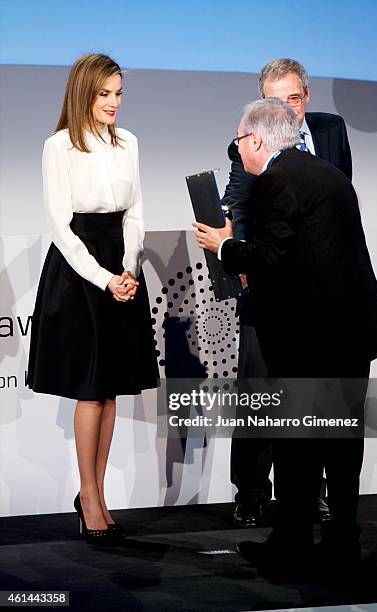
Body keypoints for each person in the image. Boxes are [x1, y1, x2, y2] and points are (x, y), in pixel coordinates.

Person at [193, 98, 377, 569]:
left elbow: (270, 259)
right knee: (342, 446)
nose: (237, 151)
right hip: (352, 331)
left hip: (311, 337)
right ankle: (342, 540)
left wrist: (225, 246)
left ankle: (292, 543)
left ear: (256, 140)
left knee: (296, 444)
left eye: (238, 141)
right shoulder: (329, 175)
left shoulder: (275, 181)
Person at [27, 54, 158, 544]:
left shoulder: (130, 143)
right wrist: (104, 277)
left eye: (119, 94)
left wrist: (128, 266)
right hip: (80, 270)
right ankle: (88, 495)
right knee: (89, 388)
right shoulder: (58, 146)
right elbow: (61, 228)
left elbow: (135, 212)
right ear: (84, 93)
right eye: (105, 94)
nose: (114, 103)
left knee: (109, 390)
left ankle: (97, 496)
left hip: (121, 263)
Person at [223, 58, 352, 528]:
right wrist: (236, 256)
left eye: (293, 99)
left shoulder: (332, 132)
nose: (287, 110)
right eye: (275, 102)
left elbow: (342, 197)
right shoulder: (248, 142)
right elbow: (238, 202)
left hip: (322, 293)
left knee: (317, 400)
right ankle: (253, 492)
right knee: (260, 390)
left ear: (307, 98)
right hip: (267, 279)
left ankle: (309, 496)